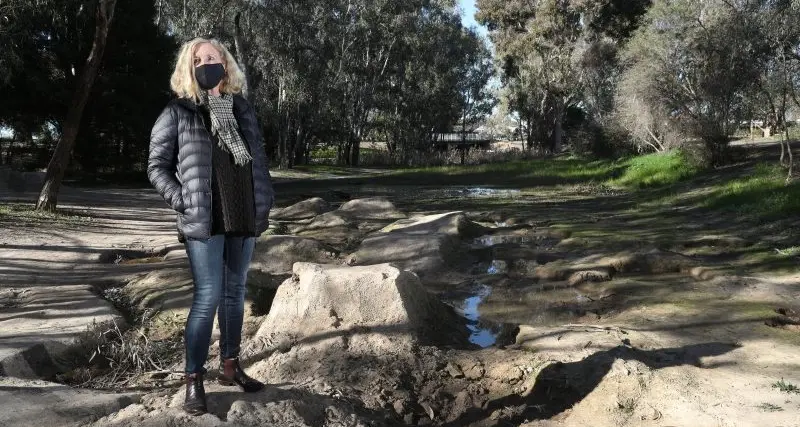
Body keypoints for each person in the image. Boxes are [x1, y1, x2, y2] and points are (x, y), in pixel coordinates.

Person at [147, 37, 275, 415]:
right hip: (204, 216)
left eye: (213, 57)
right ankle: (194, 379)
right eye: (199, 59)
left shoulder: (242, 109)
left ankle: (231, 366)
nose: (207, 64)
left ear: (226, 64)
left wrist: (264, 200)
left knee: (235, 294)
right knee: (207, 298)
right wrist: (183, 201)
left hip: (243, 212)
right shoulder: (178, 112)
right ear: (189, 68)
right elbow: (156, 167)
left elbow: (258, 160)